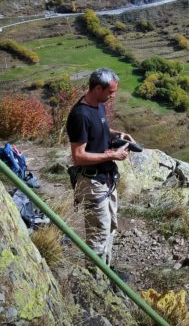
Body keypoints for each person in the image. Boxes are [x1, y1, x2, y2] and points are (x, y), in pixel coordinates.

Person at [66, 67, 134, 266]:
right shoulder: (80, 114)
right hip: (91, 182)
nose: (113, 96)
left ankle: (106, 271)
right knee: (98, 233)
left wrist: (117, 135)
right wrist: (113, 155)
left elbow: (99, 129)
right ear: (97, 88)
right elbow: (78, 156)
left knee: (110, 226)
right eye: (110, 92)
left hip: (105, 179)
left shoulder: (98, 106)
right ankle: (95, 281)